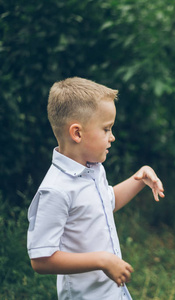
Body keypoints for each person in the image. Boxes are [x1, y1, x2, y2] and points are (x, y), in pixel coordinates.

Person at [27, 77, 165, 300]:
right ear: (77, 133)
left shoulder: (94, 169)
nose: (112, 137)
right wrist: (102, 260)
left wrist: (139, 179)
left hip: (113, 292)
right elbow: (41, 259)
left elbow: (106, 203)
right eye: (106, 129)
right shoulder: (55, 190)